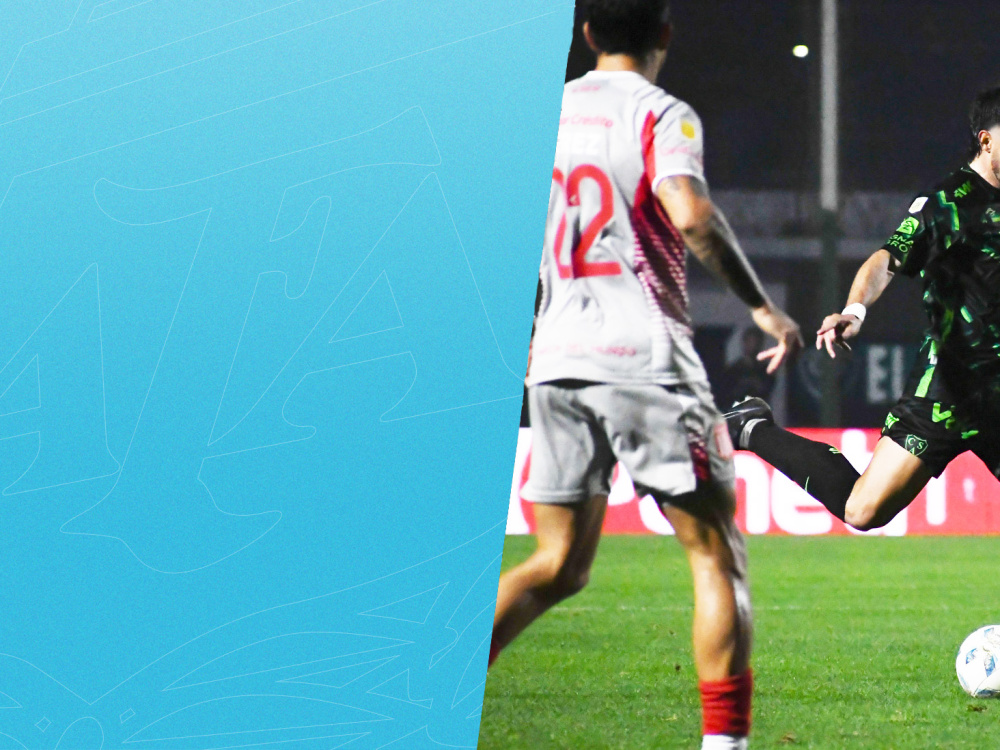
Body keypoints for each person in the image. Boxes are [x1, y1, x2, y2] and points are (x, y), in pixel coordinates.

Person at [489, 3, 802, 748]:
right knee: (714, 552)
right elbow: (690, 215)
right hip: (644, 361)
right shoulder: (660, 114)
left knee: (557, 565)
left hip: (557, 361)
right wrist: (763, 309)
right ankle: (725, 744)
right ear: (664, 33)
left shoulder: (542, 115)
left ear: (587, 33)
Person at [726, 87, 1000, 533]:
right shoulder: (946, 203)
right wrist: (855, 310)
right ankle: (753, 427)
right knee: (862, 511)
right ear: (986, 140)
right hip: (948, 390)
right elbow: (888, 258)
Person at [723, 327, 777, 407]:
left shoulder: (765, 369)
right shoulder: (734, 369)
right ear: (744, 343)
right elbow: (729, 391)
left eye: (755, 342)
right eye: (749, 341)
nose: (752, 345)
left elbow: (767, 389)